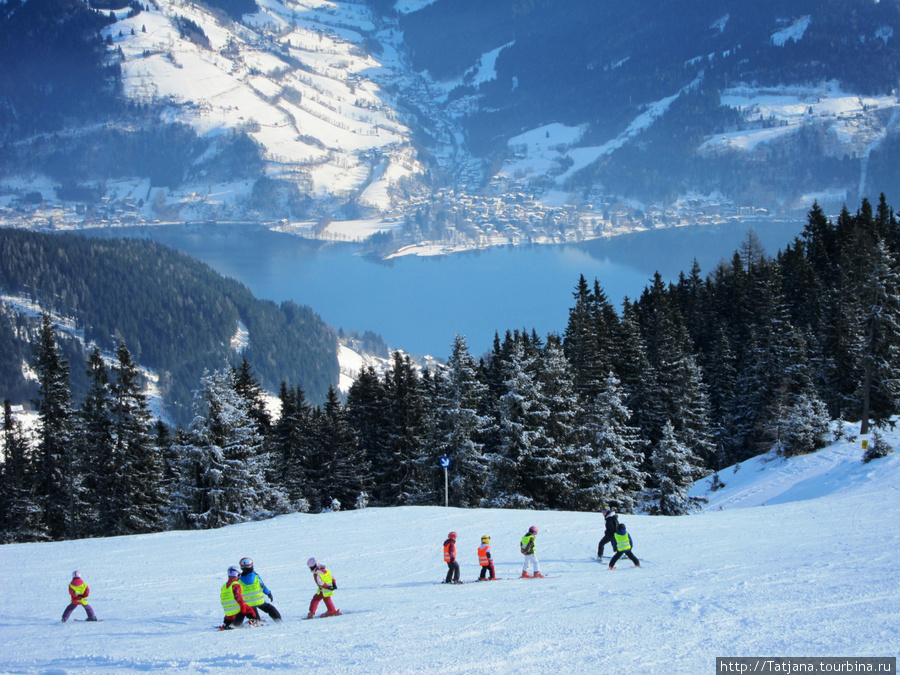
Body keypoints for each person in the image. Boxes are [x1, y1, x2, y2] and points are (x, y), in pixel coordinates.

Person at [237, 557, 282, 621]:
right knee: (269, 609)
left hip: (247, 602)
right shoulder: (256, 576)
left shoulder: (239, 579)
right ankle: (278, 619)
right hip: (259, 600)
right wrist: (269, 593)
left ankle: (253, 620)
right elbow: (263, 586)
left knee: (249, 609)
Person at [220, 565, 257, 630]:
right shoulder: (236, 585)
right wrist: (243, 608)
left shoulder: (224, 586)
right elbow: (238, 597)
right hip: (237, 611)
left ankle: (227, 623)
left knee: (231, 613)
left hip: (228, 610)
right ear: (238, 575)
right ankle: (253, 620)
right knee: (248, 608)